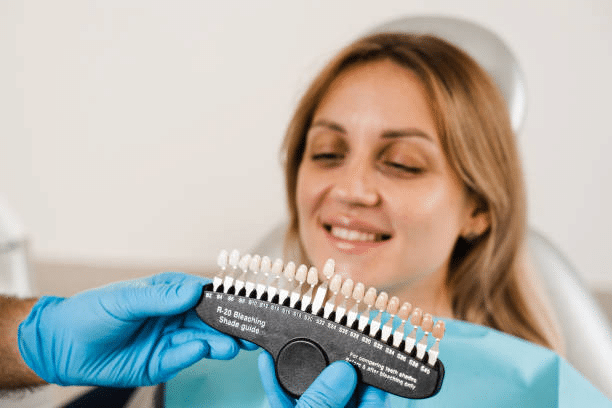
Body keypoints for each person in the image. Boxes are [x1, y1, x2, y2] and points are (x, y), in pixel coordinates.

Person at [165, 31, 610, 407]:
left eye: (402, 163)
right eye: (326, 153)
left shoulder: (538, 392)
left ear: (479, 209)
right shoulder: (203, 370)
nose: (349, 190)